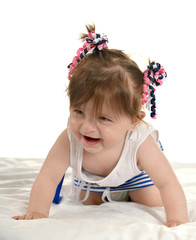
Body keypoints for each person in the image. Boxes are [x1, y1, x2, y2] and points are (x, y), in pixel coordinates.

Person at [12, 24, 188, 227]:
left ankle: (132, 192)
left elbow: (167, 183)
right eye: (79, 112)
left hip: (134, 177)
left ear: (133, 121)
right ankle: (101, 192)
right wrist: (37, 211)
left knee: (151, 200)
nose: (86, 127)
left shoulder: (140, 142)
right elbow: (48, 177)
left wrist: (177, 219)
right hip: (92, 180)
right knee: (86, 202)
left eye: (103, 118)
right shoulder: (70, 138)